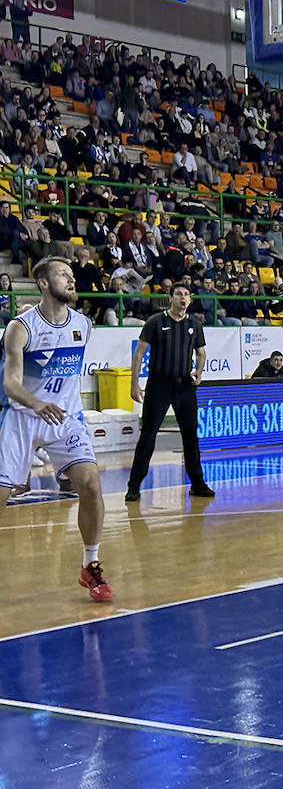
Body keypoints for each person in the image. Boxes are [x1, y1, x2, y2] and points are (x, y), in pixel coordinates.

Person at [0, 257, 110, 601]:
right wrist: (37, 403)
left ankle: (90, 566)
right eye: (64, 275)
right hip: (23, 417)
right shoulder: (21, 328)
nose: (72, 279)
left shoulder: (83, 324)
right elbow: (10, 384)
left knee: (91, 485)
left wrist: (54, 403)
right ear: (44, 284)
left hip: (65, 418)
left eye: (72, 275)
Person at [125, 283, 214, 502]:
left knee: (191, 437)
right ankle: (134, 485)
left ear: (190, 300)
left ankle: (198, 484)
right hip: (159, 385)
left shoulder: (194, 324)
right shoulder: (155, 321)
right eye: (178, 294)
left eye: (186, 294)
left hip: (184, 386)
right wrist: (134, 384)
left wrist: (199, 373)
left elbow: (201, 353)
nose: (183, 298)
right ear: (170, 298)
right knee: (148, 436)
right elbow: (139, 354)